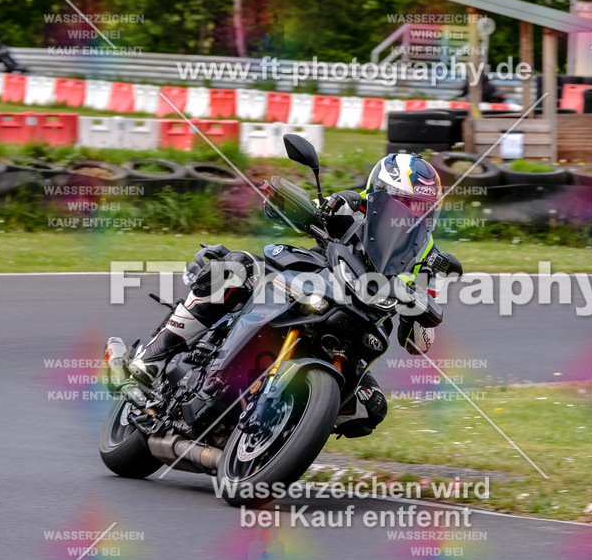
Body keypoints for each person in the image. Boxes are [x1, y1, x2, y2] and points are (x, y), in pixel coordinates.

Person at [127, 153, 452, 438]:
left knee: (371, 406)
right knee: (236, 269)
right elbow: (306, 211)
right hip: (312, 282)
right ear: (381, 193)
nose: (412, 213)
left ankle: (289, 427)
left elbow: (418, 341)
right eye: (405, 202)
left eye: (422, 207)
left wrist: (420, 316)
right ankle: (152, 359)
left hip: (360, 327)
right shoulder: (352, 206)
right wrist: (285, 202)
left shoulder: (427, 256)